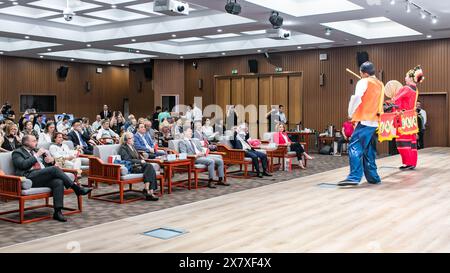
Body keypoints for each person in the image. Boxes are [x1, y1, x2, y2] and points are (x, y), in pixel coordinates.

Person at [12, 135, 92, 222]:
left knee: (58, 182)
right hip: (28, 177)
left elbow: (47, 166)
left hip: (41, 176)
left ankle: (57, 212)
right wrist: (37, 155)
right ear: (26, 142)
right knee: (54, 169)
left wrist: (51, 161)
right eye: (34, 141)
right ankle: (76, 188)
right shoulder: (17, 153)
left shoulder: (35, 151)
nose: (36, 142)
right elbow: (23, 165)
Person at [339, 61, 383, 186]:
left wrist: (351, 113)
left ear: (363, 73)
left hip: (365, 120)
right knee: (369, 150)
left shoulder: (363, 81)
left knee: (354, 146)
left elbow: (356, 98)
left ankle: (354, 176)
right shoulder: (380, 84)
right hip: (375, 121)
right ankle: (373, 177)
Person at [393, 66, 424, 170]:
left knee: (403, 140)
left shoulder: (406, 88)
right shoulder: (415, 89)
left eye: (406, 76)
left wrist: (393, 99)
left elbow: (396, 101)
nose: (405, 78)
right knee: (411, 141)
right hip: (411, 118)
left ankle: (408, 162)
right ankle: (411, 162)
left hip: (404, 117)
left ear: (411, 78)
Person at [118, 132, 159, 201]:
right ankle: (149, 191)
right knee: (149, 167)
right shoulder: (123, 147)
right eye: (131, 138)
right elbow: (127, 159)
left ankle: (148, 190)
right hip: (132, 167)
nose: (133, 139)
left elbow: (138, 157)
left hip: (138, 165)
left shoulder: (133, 146)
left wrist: (142, 159)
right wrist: (140, 161)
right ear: (126, 140)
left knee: (150, 167)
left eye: (133, 137)